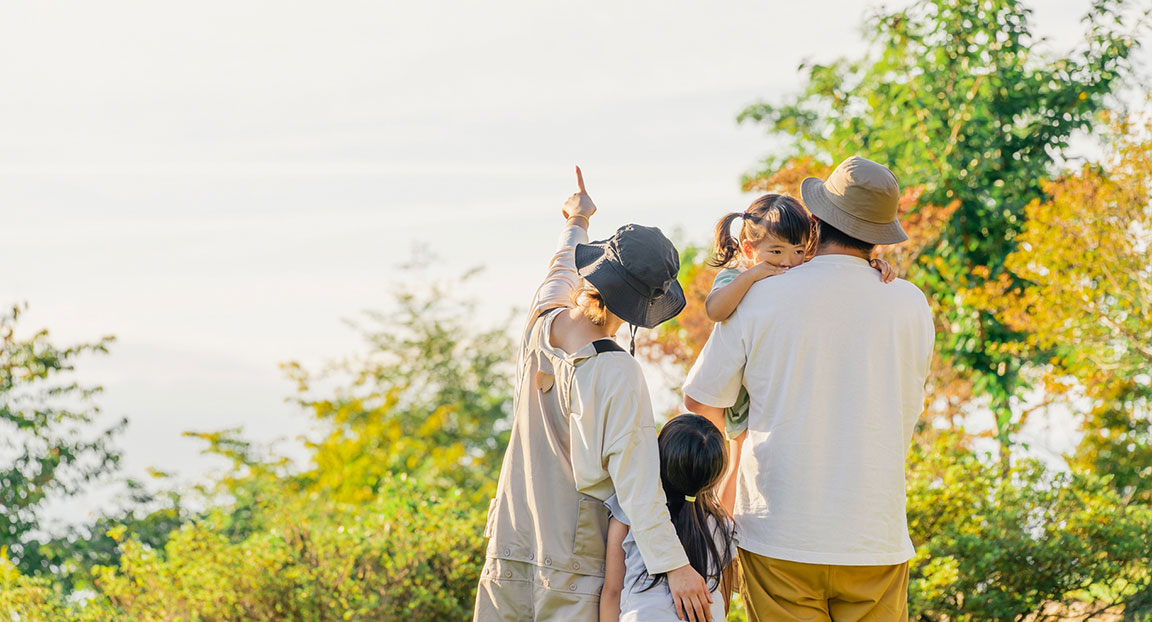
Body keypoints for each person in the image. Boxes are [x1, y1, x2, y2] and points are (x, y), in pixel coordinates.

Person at [683, 156, 935, 622]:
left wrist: (713, 502)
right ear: (880, 234)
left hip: (777, 531)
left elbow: (702, 403)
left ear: (814, 222)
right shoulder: (911, 303)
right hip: (874, 537)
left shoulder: (757, 293)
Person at [474, 167, 714, 622]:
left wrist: (577, 219)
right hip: (574, 561)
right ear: (643, 306)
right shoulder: (618, 372)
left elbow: (561, 266)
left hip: (509, 543)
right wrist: (676, 566)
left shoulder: (540, 324)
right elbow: (638, 486)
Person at [701, 193, 893, 512]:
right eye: (776, 251)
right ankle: (722, 522)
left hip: (770, 379)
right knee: (739, 455)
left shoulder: (796, 271)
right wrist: (753, 275)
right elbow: (715, 310)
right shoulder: (737, 275)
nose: (788, 261)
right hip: (740, 382)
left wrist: (871, 265)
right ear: (750, 249)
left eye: (799, 251)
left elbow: (838, 266)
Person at [599, 414, 736, 622]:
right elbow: (723, 602)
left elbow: (612, 591)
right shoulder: (723, 527)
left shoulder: (631, 511)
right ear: (716, 475)